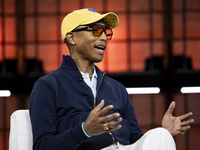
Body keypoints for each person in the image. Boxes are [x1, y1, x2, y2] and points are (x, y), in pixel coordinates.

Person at [29, 8, 194, 150]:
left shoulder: (117, 88)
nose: (103, 38)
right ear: (72, 38)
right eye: (95, 30)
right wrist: (84, 131)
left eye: (105, 32)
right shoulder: (48, 85)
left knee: (159, 133)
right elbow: (42, 145)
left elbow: (135, 141)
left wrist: (162, 136)